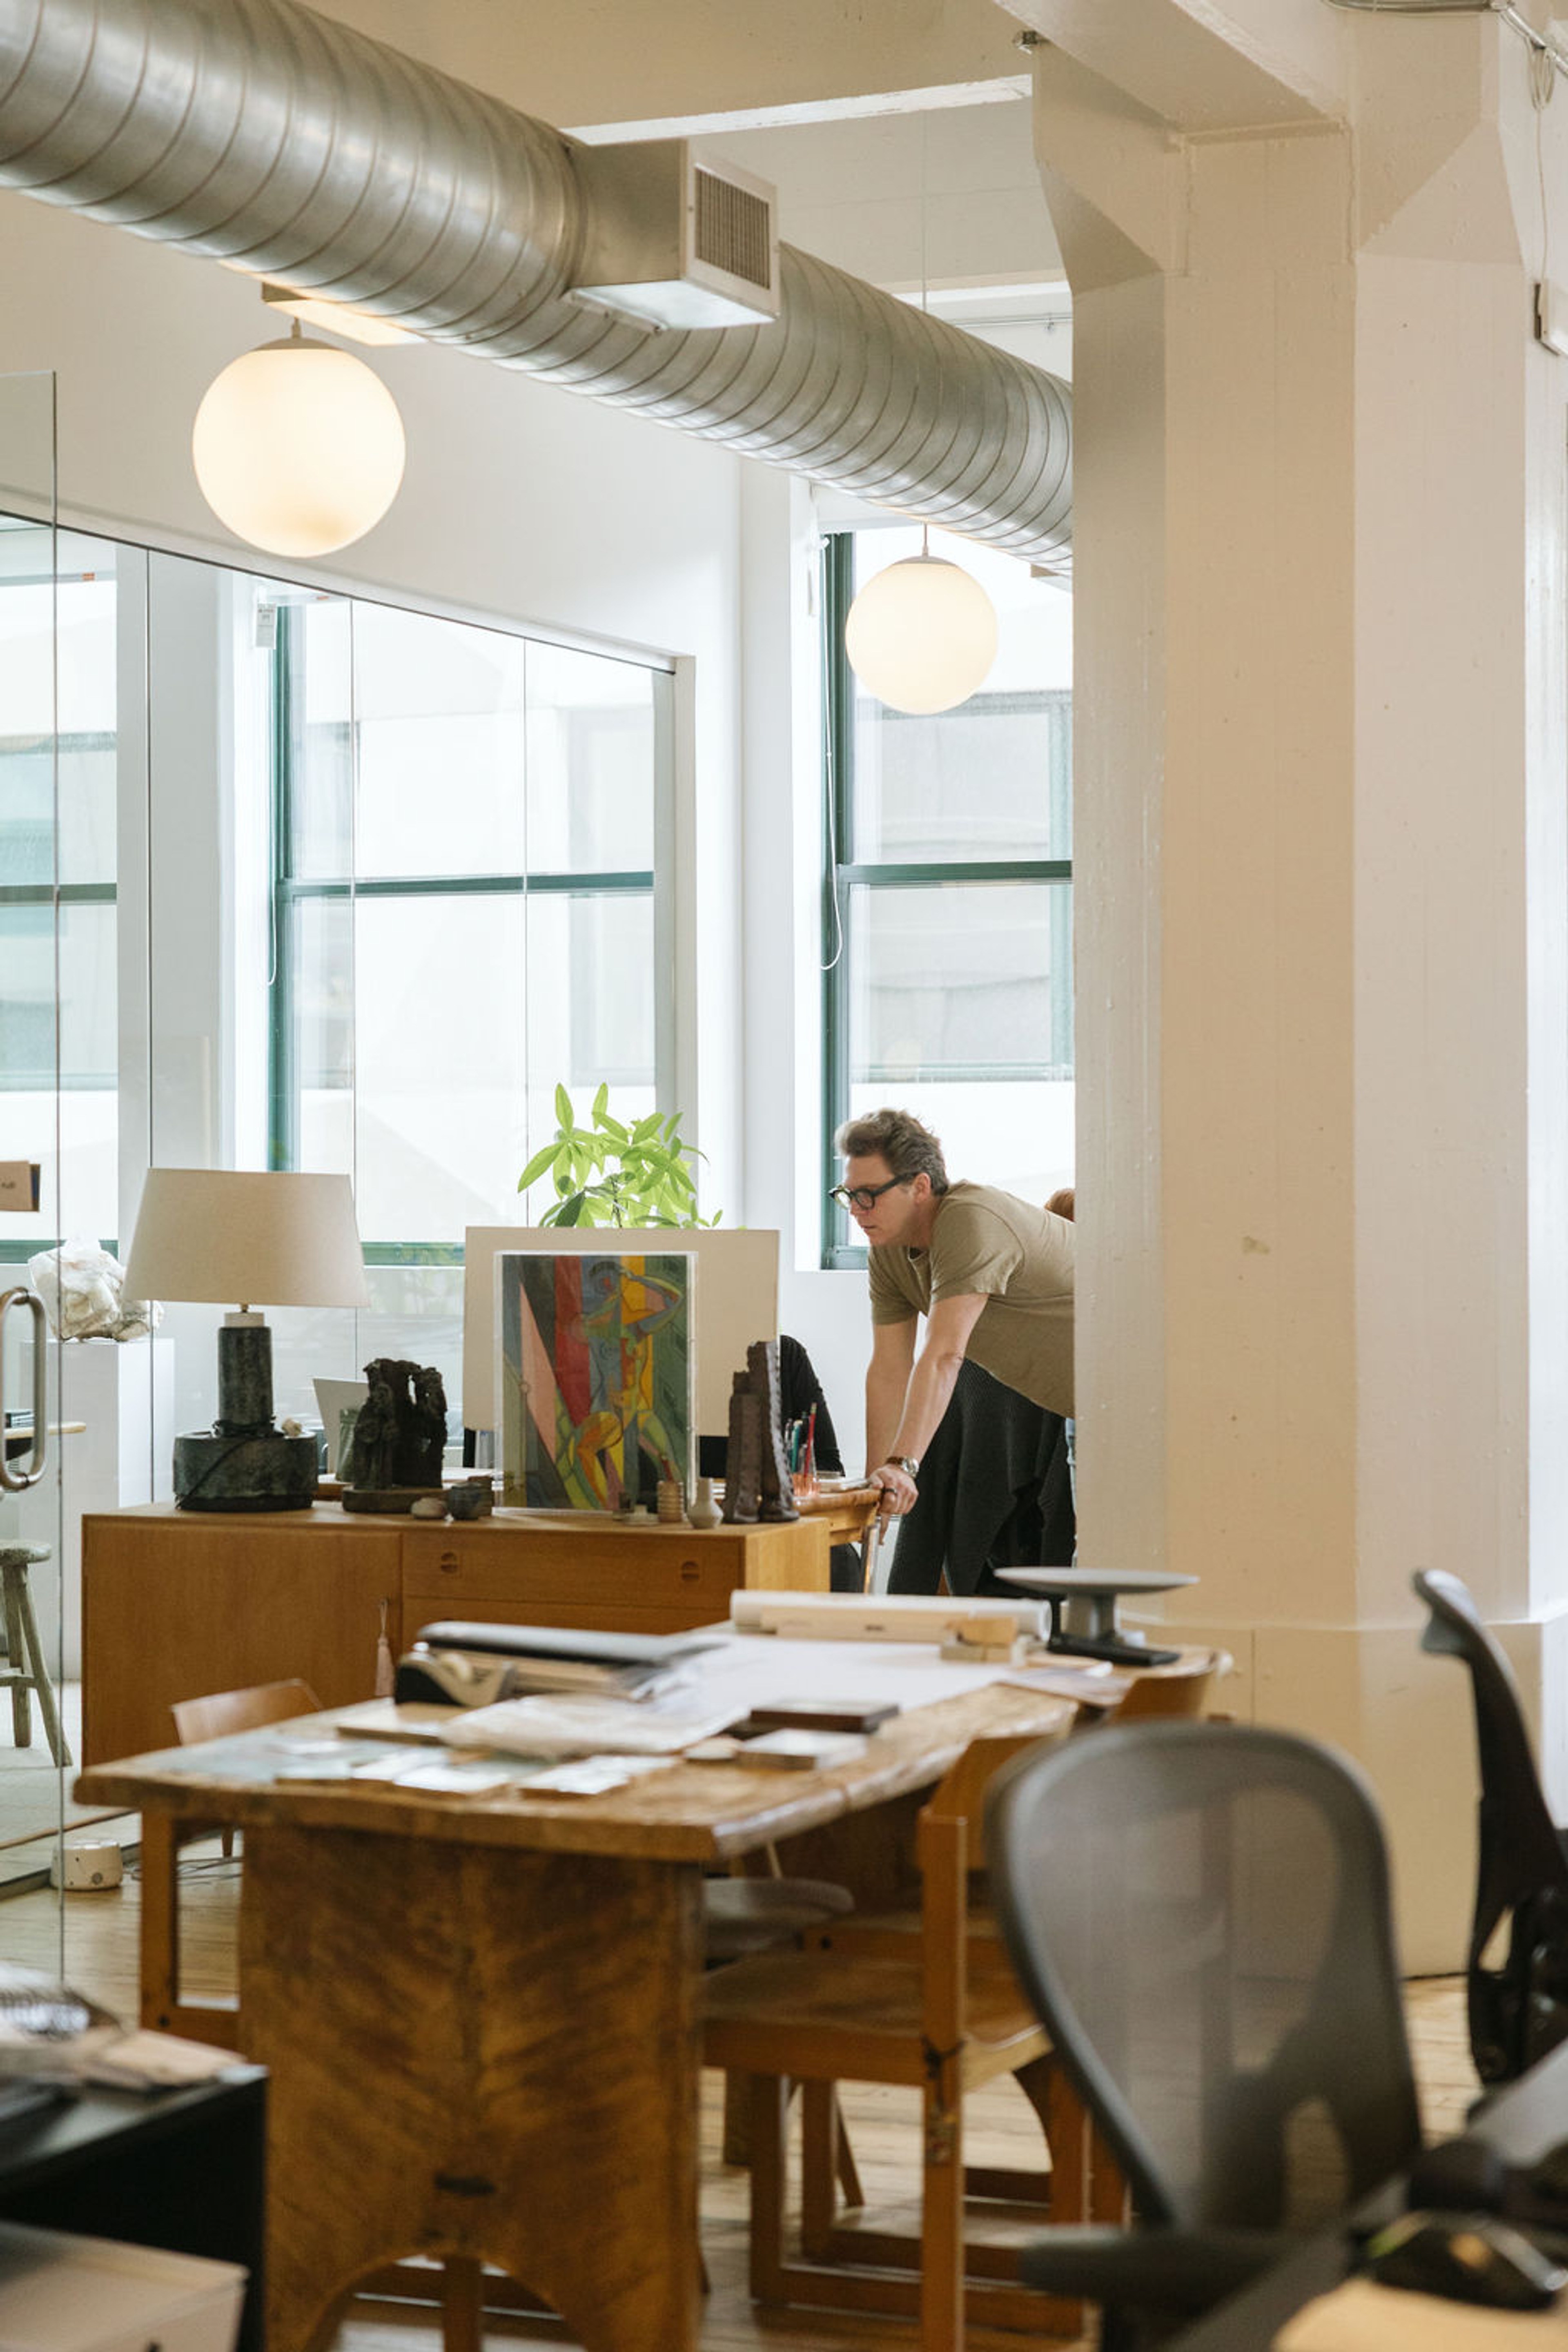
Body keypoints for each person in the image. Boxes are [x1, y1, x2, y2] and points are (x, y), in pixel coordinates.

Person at [832, 1108, 1074, 1522]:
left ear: (920, 1186)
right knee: (1092, 1555)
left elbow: (945, 1354)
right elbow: (890, 1368)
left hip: (1142, 1384)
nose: (857, 1210)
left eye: (870, 1194)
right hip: (1084, 1404)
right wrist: (879, 1490)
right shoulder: (888, 1251)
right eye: (849, 1195)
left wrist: (904, 1465)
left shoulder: (970, 1219)